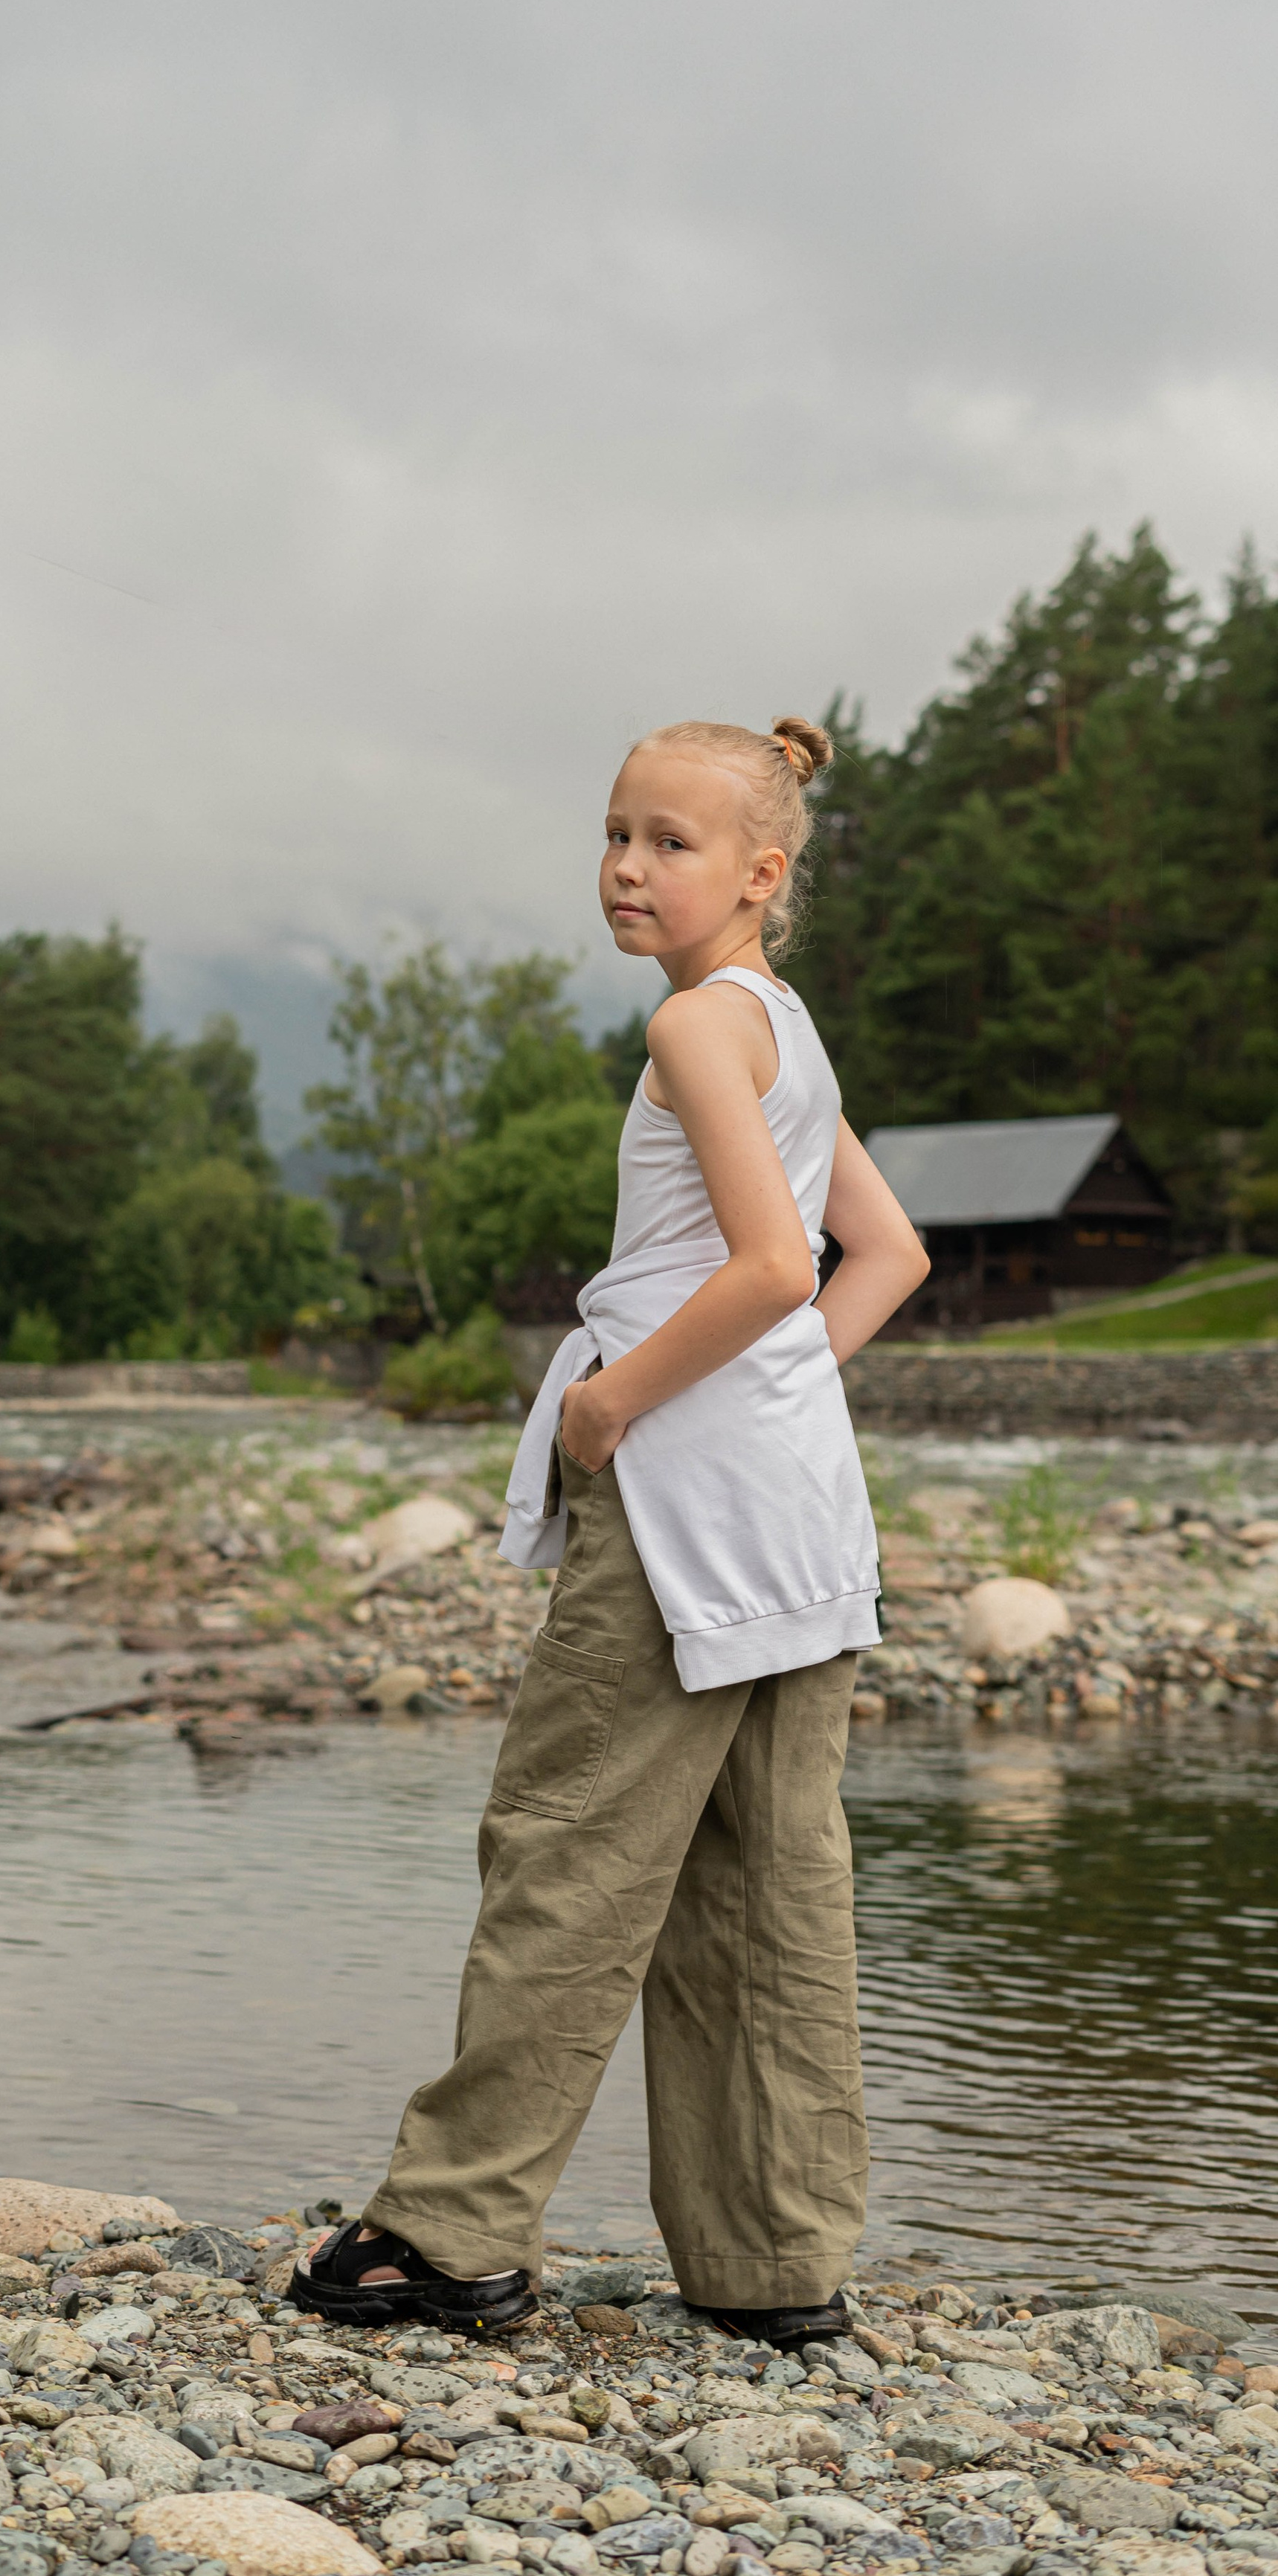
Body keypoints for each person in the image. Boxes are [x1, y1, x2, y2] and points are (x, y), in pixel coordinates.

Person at [293, 715, 929, 2348]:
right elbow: (884, 1260)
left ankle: (446, 2237)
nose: (627, 867)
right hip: (791, 1513)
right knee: (765, 1890)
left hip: (677, 1517)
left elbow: (779, 1271)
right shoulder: (783, 1031)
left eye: (670, 842)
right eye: (615, 833)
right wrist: (764, 1395)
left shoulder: (694, 1036)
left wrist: (611, 1404)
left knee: (565, 1853)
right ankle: (771, 2267)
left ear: (760, 873)